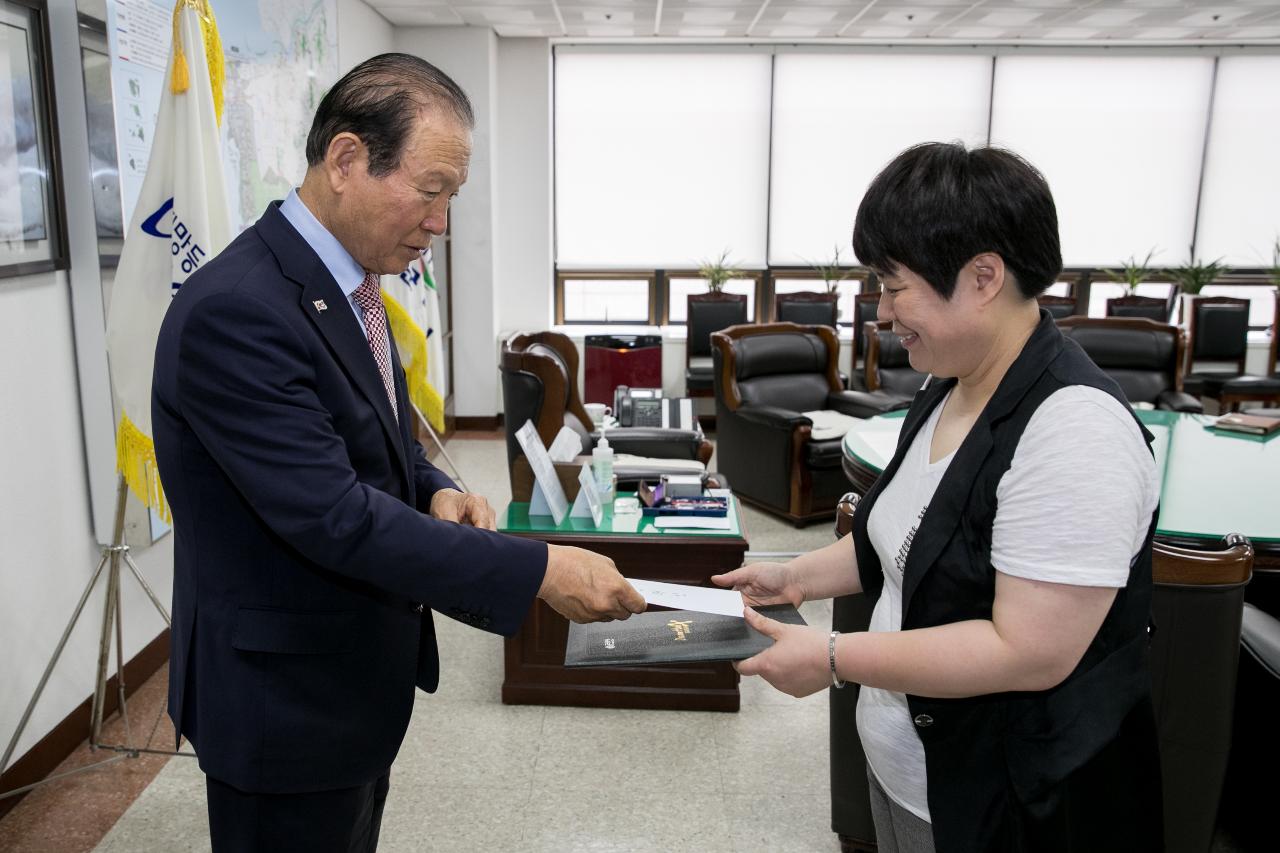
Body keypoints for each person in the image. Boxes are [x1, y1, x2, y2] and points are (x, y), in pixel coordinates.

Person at [152, 53, 645, 852]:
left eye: (450, 195)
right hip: (284, 704)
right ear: (346, 159)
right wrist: (543, 569)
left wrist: (429, 490)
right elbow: (333, 517)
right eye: (431, 190)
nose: (441, 222)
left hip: (346, 685)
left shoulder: (347, 283)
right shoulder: (239, 312)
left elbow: (372, 433)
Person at [714, 142, 1163, 853]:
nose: (883, 311)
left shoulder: (1075, 431)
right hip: (909, 772)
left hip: (1009, 800)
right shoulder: (949, 383)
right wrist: (793, 575)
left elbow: (1027, 651)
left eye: (895, 287)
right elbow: (894, 536)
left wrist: (832, 655)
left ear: (984, 275)